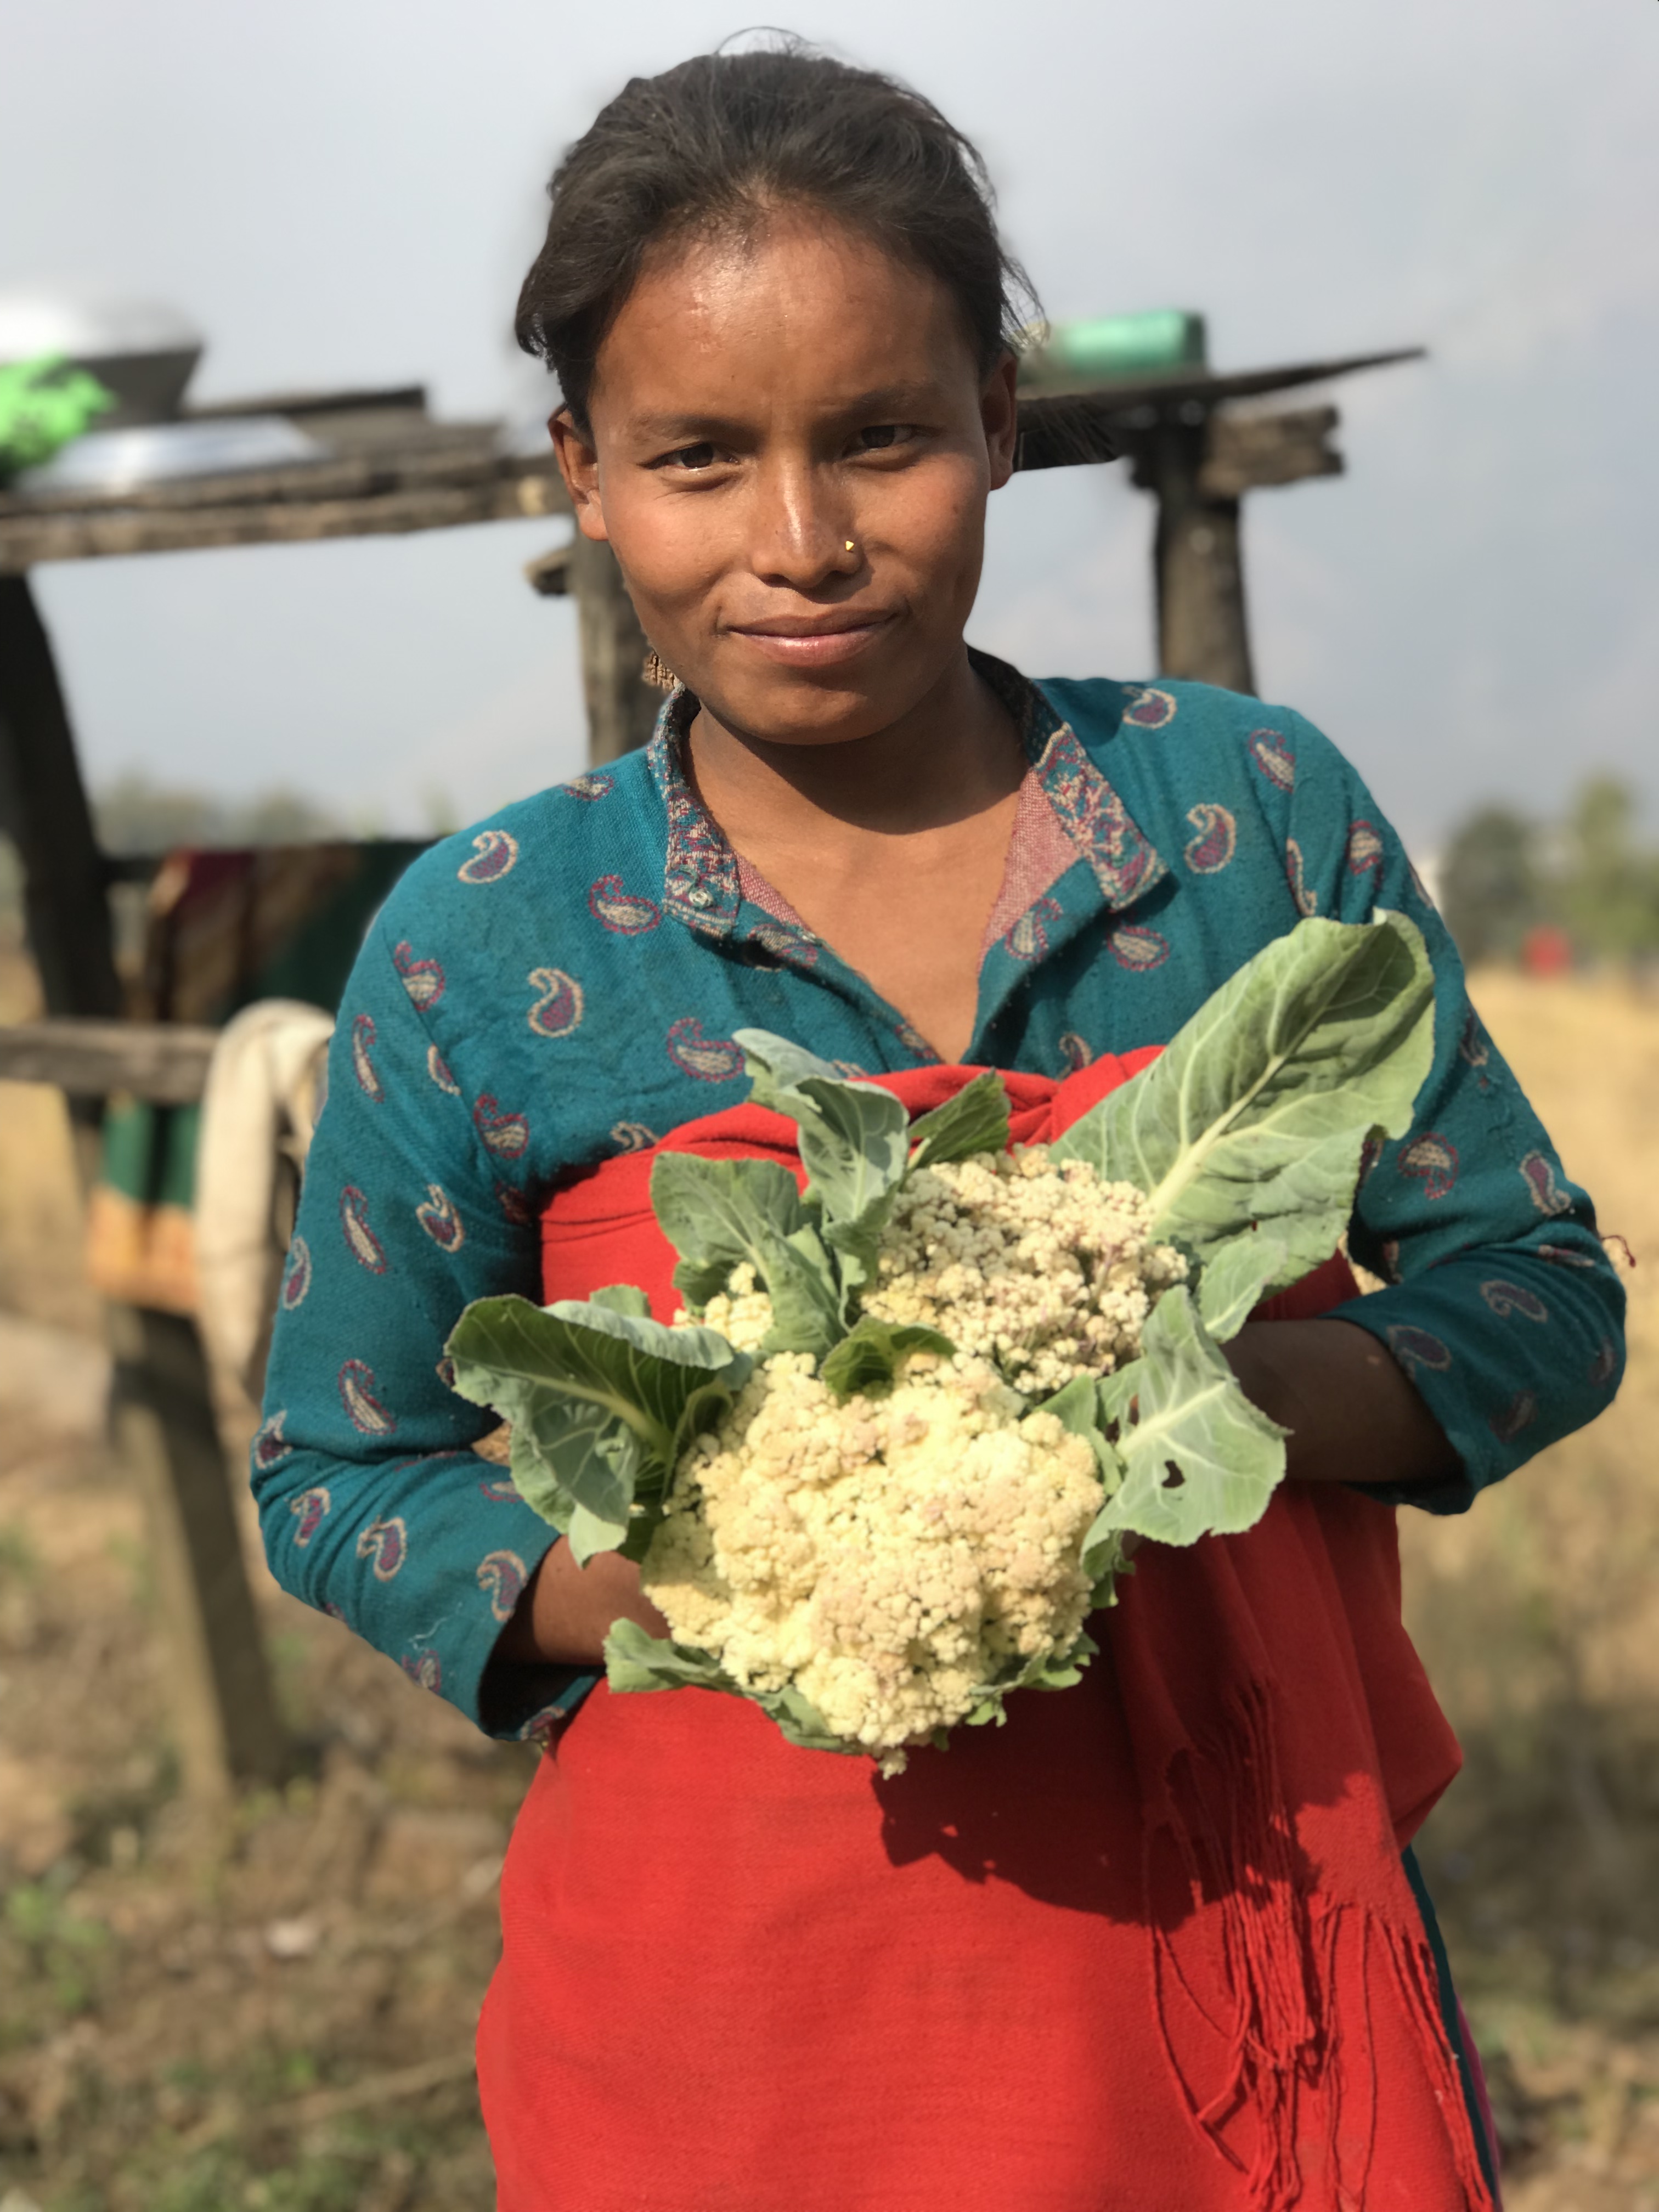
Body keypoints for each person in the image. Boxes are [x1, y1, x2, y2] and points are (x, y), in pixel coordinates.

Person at [255, 42, 1624, 2212]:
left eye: (880, 438)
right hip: (734, 2043)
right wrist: (748, 1567)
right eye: (698, 458)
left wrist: (1180, 1395)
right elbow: (339, 1472)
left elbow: (1539, 1291)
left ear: (998, 417)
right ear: (583, 472)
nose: (799, 543)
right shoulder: (485, 943)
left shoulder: (1244, 820)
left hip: (1250, 1983)